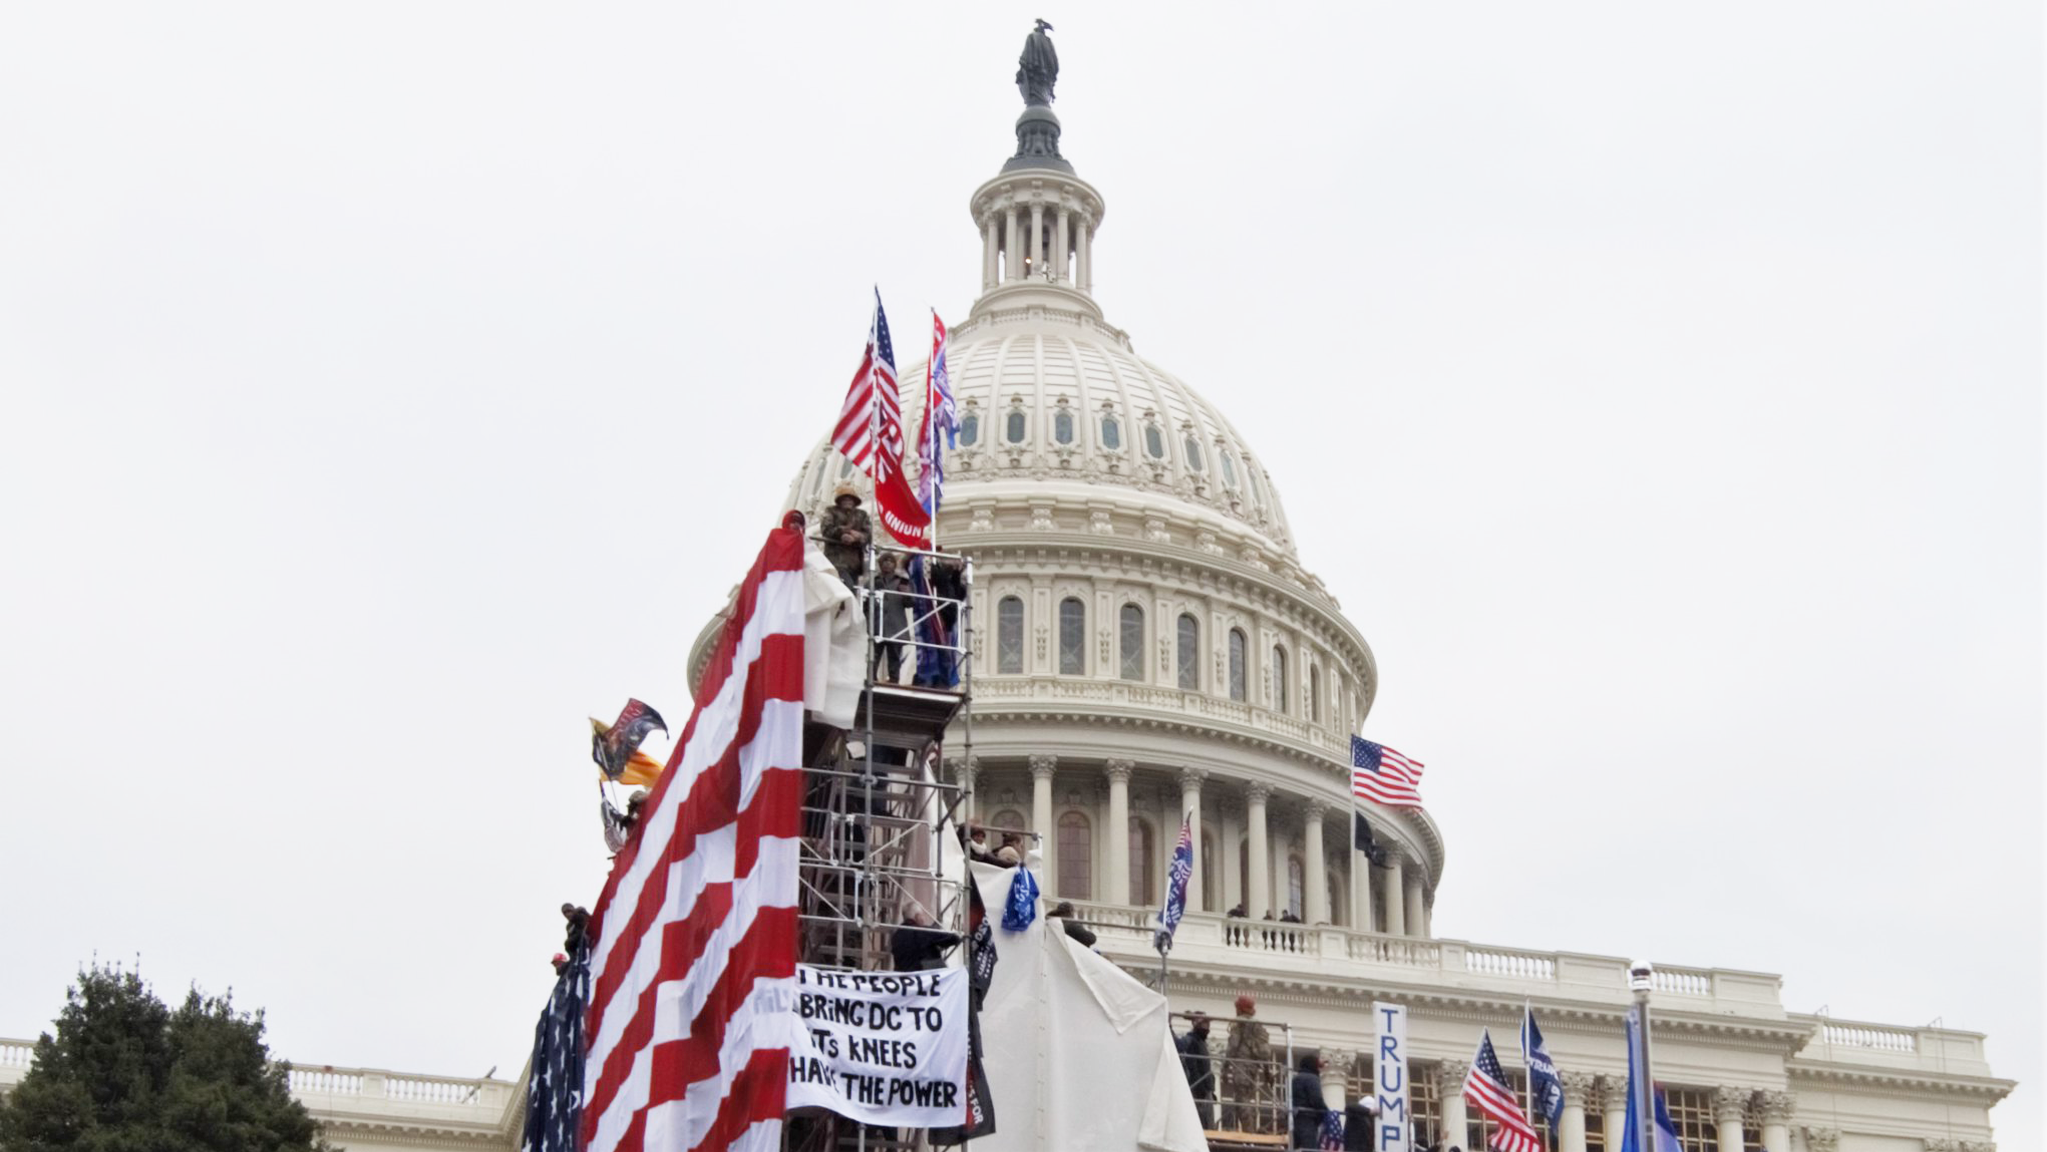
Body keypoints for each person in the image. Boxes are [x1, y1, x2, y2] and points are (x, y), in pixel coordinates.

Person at [1221, 993, 1276, 1132]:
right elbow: (1265, 1053)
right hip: (1253, 1069)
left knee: (1241, 1099)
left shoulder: (1239, 1024)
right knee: (1247, 1098)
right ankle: (1251, 1127)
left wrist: (1225, 1067)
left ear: (1239, 1008)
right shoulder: (1258, 1027)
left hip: (1241, 1066)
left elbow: (1233, 1046)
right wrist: (1267, 1072)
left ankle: (1248, 1130)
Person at [819, 485, 872, 586]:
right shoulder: (831, 511)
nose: (847, 502)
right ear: (839, 501)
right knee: (846, 586)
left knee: (852, 590)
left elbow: (869, 534)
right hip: (836, 560)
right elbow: (826, 529)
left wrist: (857, 537)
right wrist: (841, 534)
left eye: (850, 499)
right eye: (844, 499)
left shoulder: (862, 514)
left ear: (855, 501)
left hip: (855, 563)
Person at [871, 552, 912, 682]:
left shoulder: (902, 582)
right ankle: (872, 678)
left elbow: (911, 603)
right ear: (880, 564)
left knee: (894, 657)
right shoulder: (873, 582)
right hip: (877, 624)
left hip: (896, 626)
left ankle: (894, 681)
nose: (887, 564)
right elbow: (866, 604)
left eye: (890, 561)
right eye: (884, 561)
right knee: (873, 656)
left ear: (894, 565)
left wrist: (906, 594)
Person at [1176, 1013, 1216, 1129]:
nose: (1207, 1027)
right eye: (1204, 1024)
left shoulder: (1201, 1042)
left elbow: (1206, 1068)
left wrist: (1210, 1088)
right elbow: (1178, 1046)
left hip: (1205, 1090)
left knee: (1207, 1123)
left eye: (1208, 1024)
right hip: (1197, 1089)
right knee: (1199, 1122)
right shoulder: (1191, 1040)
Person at [889, 910, 961, 972]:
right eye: (922, 915)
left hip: (904, 978)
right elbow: (953, 938)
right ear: (917, 916)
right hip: (924, 976)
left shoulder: (896, 936)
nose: (924, 918)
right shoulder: (923, 931)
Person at [1290, 1052, 1328, 1151]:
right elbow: (1316, 1099)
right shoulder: (1311, 1078)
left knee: (1295, 1147)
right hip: (1308, 1118)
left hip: (1295, 1117)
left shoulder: (1295, 1079)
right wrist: (1326, 1112)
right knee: (1309, 1148)